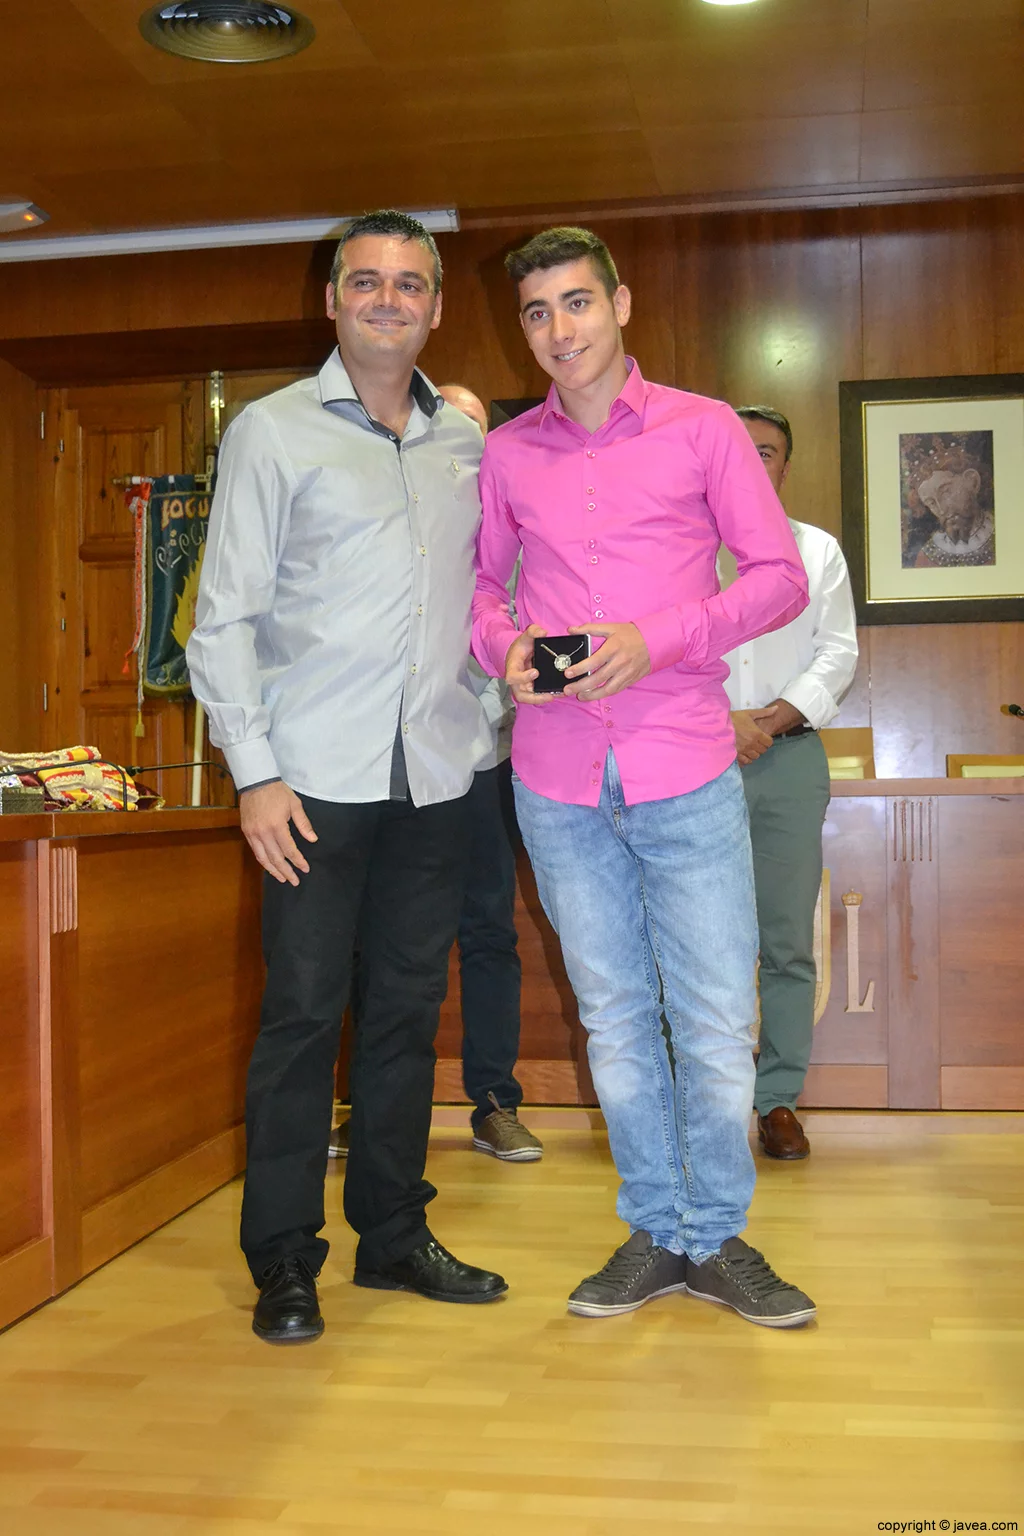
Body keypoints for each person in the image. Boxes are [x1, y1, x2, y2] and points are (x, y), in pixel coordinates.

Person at [472, 225, 818, 1329]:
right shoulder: (508, 454)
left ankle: (713, 1237)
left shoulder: (704, 429)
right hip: (557, 777)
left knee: (714, 1018)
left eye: (576, 303)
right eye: (537, 312)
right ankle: (656, 1230)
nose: (559, 330)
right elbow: (481, 595)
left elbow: (774, 582)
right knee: (615, 1017)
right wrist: (505, 651)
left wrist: (657, 637)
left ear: (621, 304)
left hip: (681, 757)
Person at [187, 209, 507, 1345]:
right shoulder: (271, 434)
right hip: (310, 786)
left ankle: (390, 1235)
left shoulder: (464, 446)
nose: (387, 300)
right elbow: (221, 619)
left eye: (409, 284)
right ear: (332, 300)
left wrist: (495, 721)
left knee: (406, 1018)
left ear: (434, 307)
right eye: (365, 282)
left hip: (434, 778)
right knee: (302, 1016)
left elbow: (489, 606)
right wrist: (256, 775)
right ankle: (284, 1257)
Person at [330, 384, 542, 1164]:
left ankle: (493, 1103)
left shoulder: (516, 531)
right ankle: (374, 1110)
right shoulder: (400, 522)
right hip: (394, 765)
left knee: (488, 931)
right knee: (379, 941)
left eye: (473, 426)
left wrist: (483, 722)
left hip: (481, 763)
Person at [724, 406, 859, 1160]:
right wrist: (721, 724)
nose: (753, 460)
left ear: (784, 465)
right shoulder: (679, 549)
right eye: (739, 449)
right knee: (688, 940)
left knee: (786, 944)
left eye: (767, 451)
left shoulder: (817, 551)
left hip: (790, 756)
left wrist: (765, 722)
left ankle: (776, 1100)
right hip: (692, 762)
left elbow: (837, 655)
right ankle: (701, 1103)